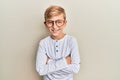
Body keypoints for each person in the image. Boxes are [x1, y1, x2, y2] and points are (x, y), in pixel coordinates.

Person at [36, 5, 80, 80]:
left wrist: (49, 61)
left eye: (59, 22)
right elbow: (40, 70)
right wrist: (65, 61)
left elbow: (75, 69)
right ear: (45, 24)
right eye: (50, 22)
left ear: (65, 23)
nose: (54, 26)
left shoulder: (71, 41)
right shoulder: (43, 43)